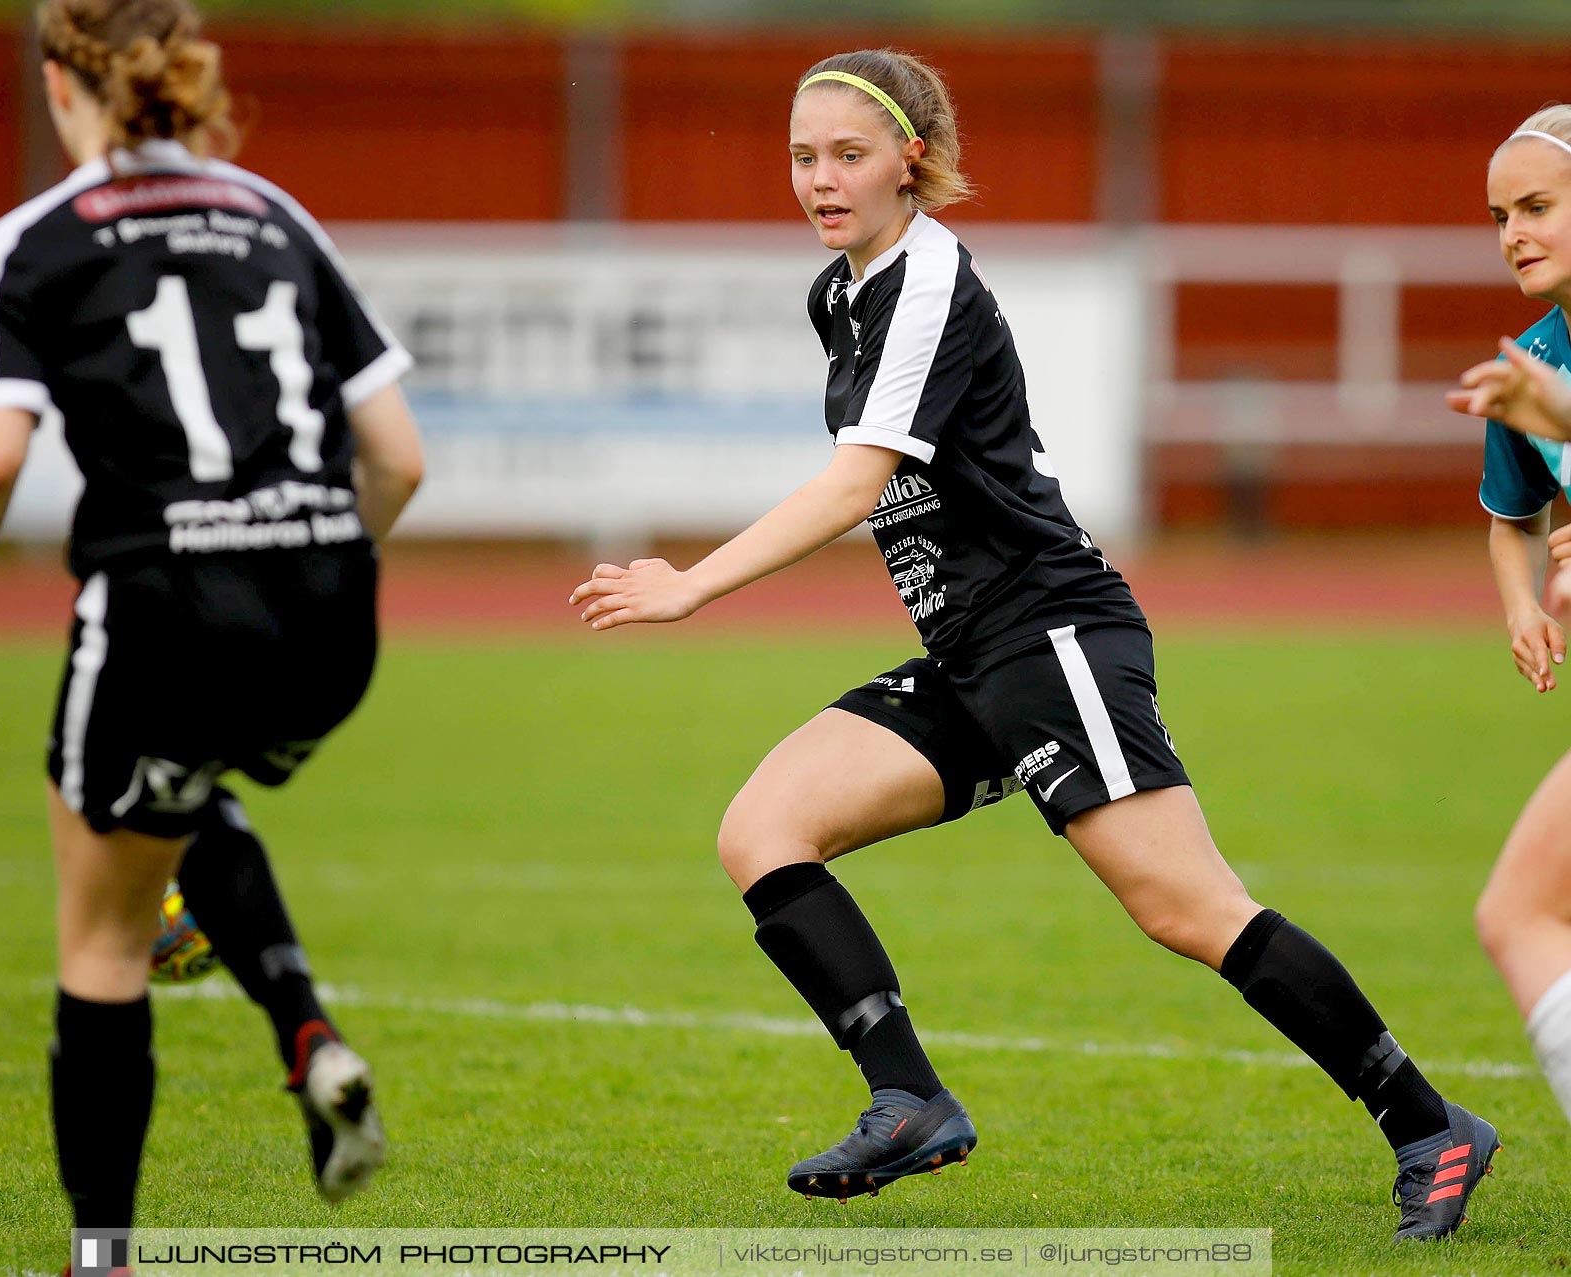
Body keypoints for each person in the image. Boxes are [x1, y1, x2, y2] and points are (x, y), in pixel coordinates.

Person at [571, 48, 1498, 1239]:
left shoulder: (924, 280)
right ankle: (907, 1095)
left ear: (913, 159)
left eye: (847, 154)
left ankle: (1428, 1124)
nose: (819, 178)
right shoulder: (843, 292)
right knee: (763, 828)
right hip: (973, 649)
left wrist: (690, 584)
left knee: (1185, 906)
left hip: (1051, 632)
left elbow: (858, 485)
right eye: (802, 155)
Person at [0, 0, 424, 1260]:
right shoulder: (272, 211)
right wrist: (311, 559)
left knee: (103, 922)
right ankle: (306, 1030)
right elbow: (396, 458)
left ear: (59, 82)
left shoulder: (32, 240)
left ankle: (105, 1252)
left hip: (166, 607)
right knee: (174, 791)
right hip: (331, 613)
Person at [1443, 106, 1571, 1132]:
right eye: (1500, 214)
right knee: (1519, 910)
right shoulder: (1531, 353)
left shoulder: (1542, 378)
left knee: (1520, 911)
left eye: (1537, 205)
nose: (1512, 232)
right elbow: (1512, 520)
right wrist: (1525, 598)